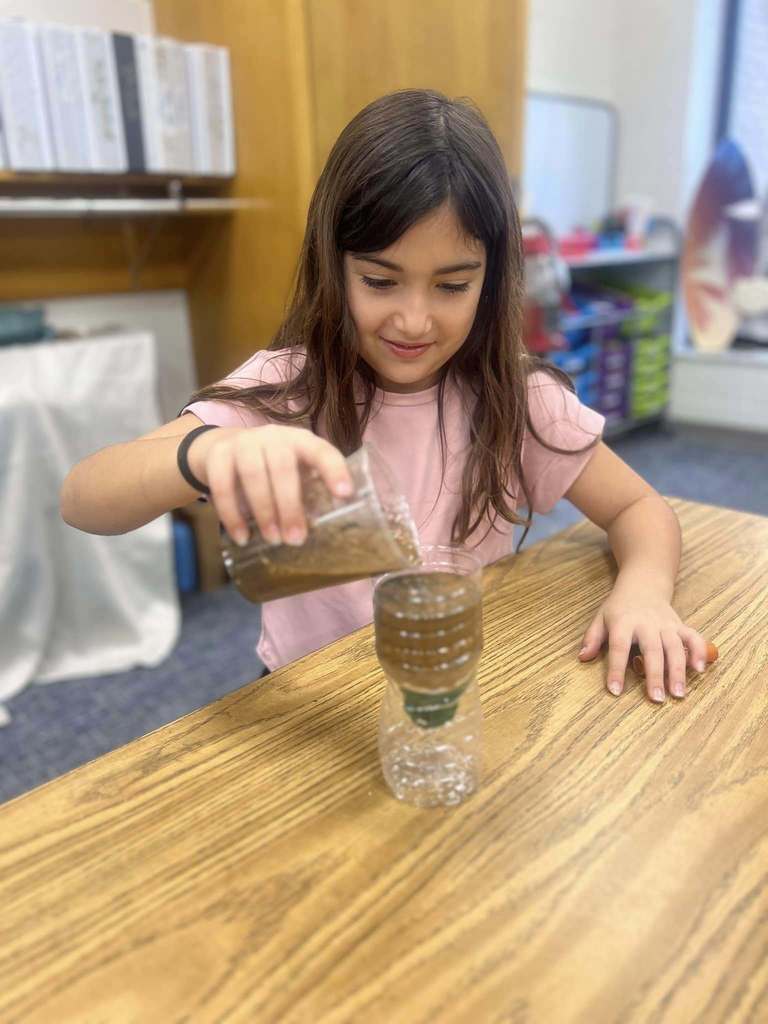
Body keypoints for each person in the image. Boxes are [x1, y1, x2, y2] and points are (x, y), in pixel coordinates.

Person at [61, 89, 708, 703]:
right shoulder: (285, 390)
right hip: (311, 700)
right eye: (380, 281)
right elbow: (84, 498)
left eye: (451, 286)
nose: (414, 321)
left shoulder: (517, 397)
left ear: (490, 280)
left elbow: (639, 508)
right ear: (334, 263)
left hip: (450, 682)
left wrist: (644, 591)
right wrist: (203, 452)